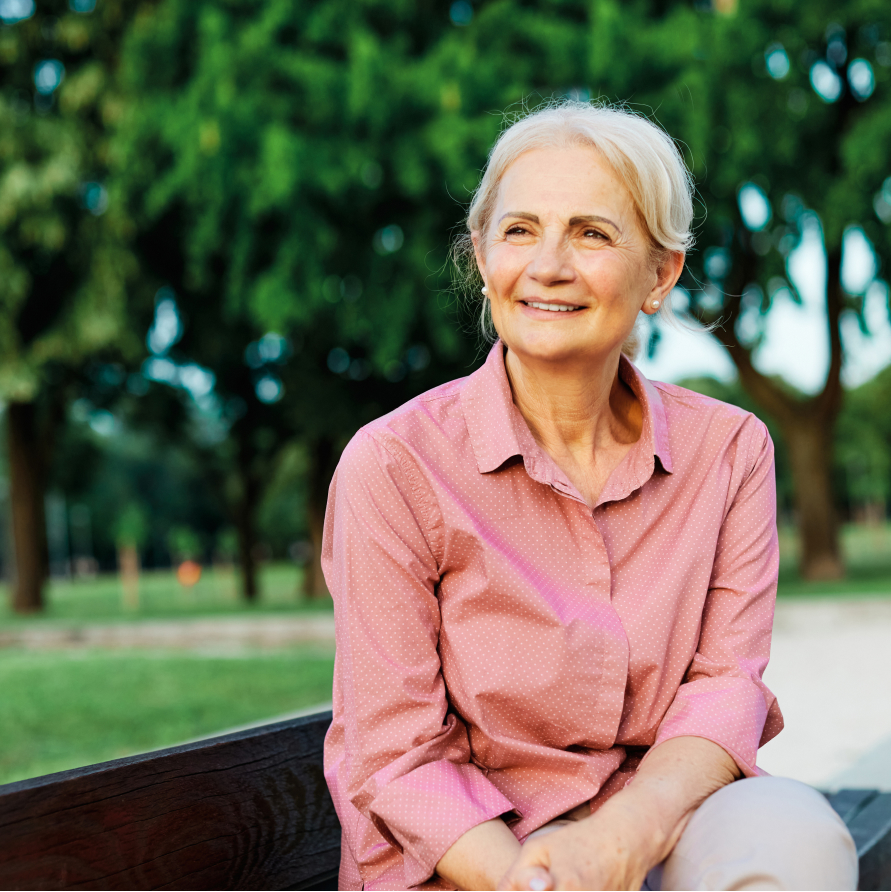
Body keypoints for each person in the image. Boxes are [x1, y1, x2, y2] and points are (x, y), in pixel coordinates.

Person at [321, 101, 857, 891]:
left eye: (592, 233)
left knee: (797, 840)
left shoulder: (729, 451)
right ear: (480, 257)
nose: (548, 266)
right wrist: (534, 882)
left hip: (655, 829)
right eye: (519, 230)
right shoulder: (396, 465)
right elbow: (395, 756)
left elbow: (722, 690)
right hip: (467, 862)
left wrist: (618, 843)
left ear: (660, 274)